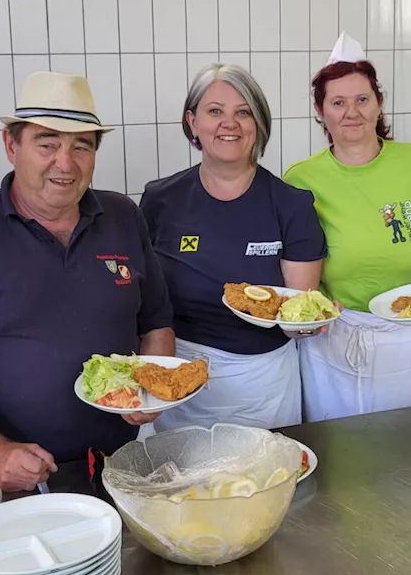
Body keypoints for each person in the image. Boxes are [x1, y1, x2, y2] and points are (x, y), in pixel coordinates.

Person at [0, 71, 174, 494]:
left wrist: (151, 392)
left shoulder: (123, 217)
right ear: (11, 145)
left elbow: (157, 324)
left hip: (124, 464)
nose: (65, 163)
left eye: (81, 146)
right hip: (16, 473)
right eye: (47, 143)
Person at [140, 64, 327, 432]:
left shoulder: (291, 204)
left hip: (261, 385)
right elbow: (142, 298)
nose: (230, 123)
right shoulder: (160, 199)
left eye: (243, 112)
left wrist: (307, 323)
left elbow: (295, 311)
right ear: (192, 122)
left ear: (258, 123)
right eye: (215, 111)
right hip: (178, 379)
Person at [283, 33, 411, 422]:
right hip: (336, 335)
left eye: (362, 99)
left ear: (379, 104)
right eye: (338, 102)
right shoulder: (300, 179)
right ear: (320, 111)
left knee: (408, 445)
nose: (352, 112)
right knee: (341, 451)